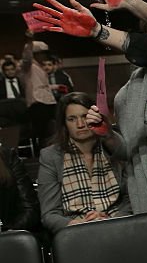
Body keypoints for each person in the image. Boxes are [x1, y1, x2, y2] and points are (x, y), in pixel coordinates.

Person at [36, 92, 131, 232]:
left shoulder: (113, 147)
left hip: (118, 225)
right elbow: (49, 214)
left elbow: (130, 199)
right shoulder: (51, 156)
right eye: (72, 119)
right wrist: (79, 224)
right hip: (75, 232)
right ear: (64, 124)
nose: (80, 124)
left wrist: (110, 220)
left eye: (85, 116)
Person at [0, 59, 28, 128]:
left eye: (12, 69)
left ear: (15, 70)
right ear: (3, 72)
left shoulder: (22, 82)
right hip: (6, 109)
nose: (10, 72)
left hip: (21, 107)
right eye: (7, 70)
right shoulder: (0, 84)